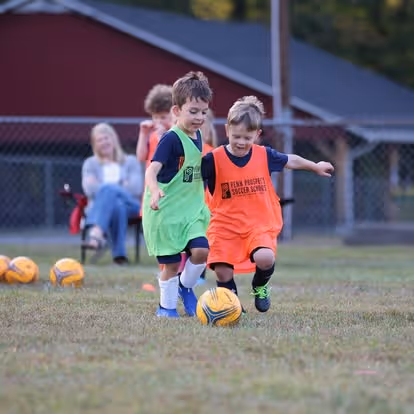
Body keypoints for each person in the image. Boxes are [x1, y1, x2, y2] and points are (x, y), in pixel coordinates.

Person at [202, 96, 334, 312]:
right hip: (224, 225)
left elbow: (291, 160)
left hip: (258, 223)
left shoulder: (264, 155)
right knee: (222, 270)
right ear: (226, 131)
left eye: (247, 137)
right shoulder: (212, 159)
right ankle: (232, 306)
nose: (242, 142)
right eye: (236, 136)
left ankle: (260, 285)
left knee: (265, 257)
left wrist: (315, 166)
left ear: (257, 134)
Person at [142, 71, 213, 318]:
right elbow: (151, 170)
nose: (199, 117)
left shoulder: (199, 136)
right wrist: (154, 191)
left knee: (202, 251)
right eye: (193, 111)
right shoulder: (169, 140)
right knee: (171, 264)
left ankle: (186, 286)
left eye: (203, 112)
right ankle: (166, 307)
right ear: (176, 110)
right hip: (165, 211)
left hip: (190, 211)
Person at [82, 123, 143, 265]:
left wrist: (105, 186)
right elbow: (89, 189)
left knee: (109, 190)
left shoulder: (130, 161)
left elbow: (136, 188)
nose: (104, 143)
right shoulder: (90, 164)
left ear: (113, 139)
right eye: (99, 140)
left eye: (106, 138)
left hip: (132, 206)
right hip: (103, 207)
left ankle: (96, 233)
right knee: (117, 205)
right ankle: (120, 257)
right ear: (94, 145)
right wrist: (122, 185)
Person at [136, 84, 173, 167]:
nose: (158, 121)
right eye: (155, 117)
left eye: (163, 117)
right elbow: (141, 157)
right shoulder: (153, 135)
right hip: (151, 179)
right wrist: (143, 134)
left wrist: (162, 137)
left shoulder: (177, 134)